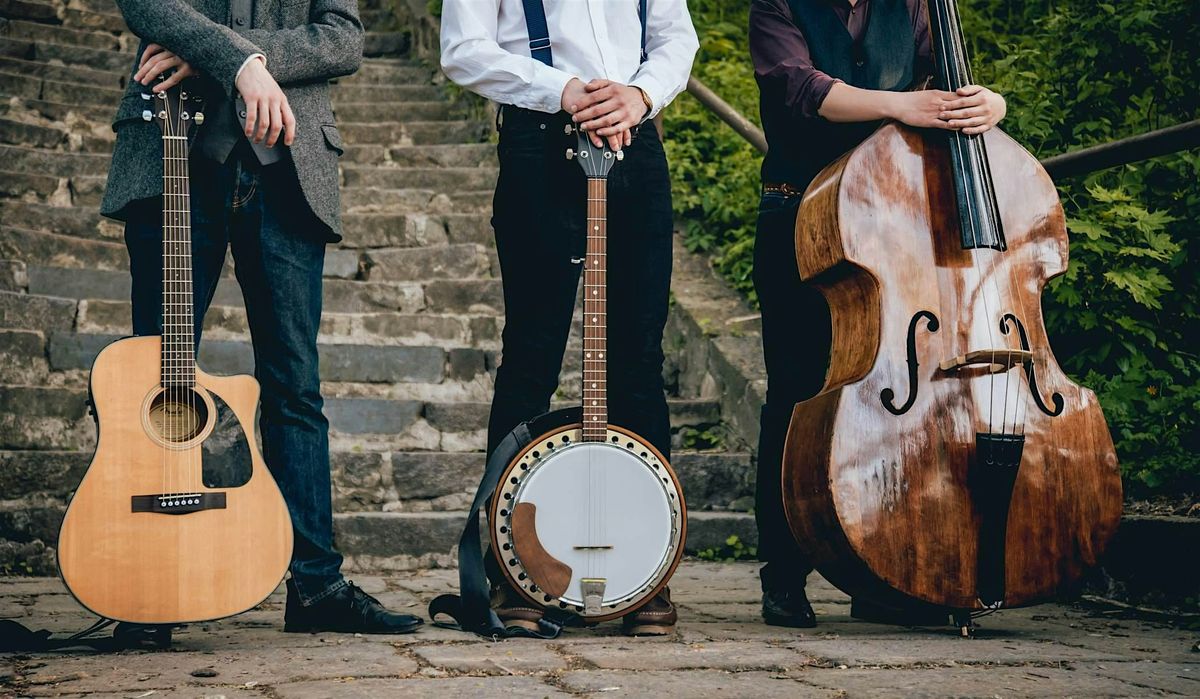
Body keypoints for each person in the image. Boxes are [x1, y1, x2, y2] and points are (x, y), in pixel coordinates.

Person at [100, 0, 422, 634]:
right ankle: (146, 582)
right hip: (171, 148)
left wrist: (236, 59)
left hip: (288, 168)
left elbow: (343, 38)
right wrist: (238, 62)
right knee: (153, 382)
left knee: (295, 385)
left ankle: (317, 585)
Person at [439, 0, 698, 635]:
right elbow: (463, 49)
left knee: (639, 359)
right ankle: (514, 572)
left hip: (636, 143)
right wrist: (564, 90)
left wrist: (640, 95)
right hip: (538, 140)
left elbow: (676, 37)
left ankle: (648, 569)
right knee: (532, 355)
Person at [749, 0, 1007, 627]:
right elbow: (800, 88)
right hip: (804, 215)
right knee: (797, 390)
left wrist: (989, 105)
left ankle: (884, 573)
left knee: (897, 391)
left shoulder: (912, 6)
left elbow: (945, 88)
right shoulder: (778, 4)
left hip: (895, 217)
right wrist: (899, 104)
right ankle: (783, 573)